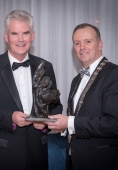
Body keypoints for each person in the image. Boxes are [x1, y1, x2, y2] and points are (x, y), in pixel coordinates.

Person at [0, 10, 62, 170]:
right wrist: (11, 118)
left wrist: (45, 123)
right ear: (6, 36)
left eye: (25, 33)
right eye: (15, 34)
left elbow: (56, 106)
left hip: (38, 154)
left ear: (32, 36)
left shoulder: (46, 66)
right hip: (3, 156)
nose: (21, 39)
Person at [46, 23, 118, 170]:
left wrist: (69, 122)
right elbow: (77, 117)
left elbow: (114, 124)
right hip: (75, 160)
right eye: (77, 43)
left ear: (100, 44)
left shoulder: (114, 74)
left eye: (88, 41)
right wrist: (63, 127)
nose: (82, 47)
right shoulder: (76, 80)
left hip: (102, 162)